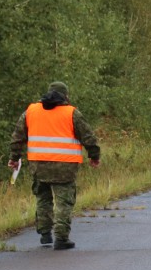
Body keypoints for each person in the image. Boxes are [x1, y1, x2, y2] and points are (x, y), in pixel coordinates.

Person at [8, 82, 101, 251]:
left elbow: (17, 137)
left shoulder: (31, 111)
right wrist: (94, 155)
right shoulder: (71, 113)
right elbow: (88, 136)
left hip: (38, 166)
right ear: (66, 96)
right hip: (64, 167)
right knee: (63, 202)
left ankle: (45, 234)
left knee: (43, 199)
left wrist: (14, 158)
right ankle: (61, 238)